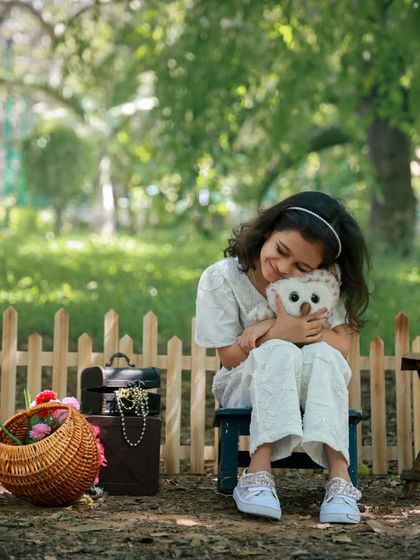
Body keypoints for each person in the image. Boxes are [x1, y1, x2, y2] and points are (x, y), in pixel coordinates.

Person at [194, 191, 370, 523]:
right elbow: (230, 357)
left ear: (319, 269)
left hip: (311, 380)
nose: (283, 268)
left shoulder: (322, 284)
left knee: (324, 355)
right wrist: (277, 333)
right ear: (267, 232)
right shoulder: (221, 279)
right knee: (277, 350)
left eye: (301, 267)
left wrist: (274, 325)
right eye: (281, 251)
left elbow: (342, 343)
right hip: (245, 382)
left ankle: (340, 480)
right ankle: (257, 474)